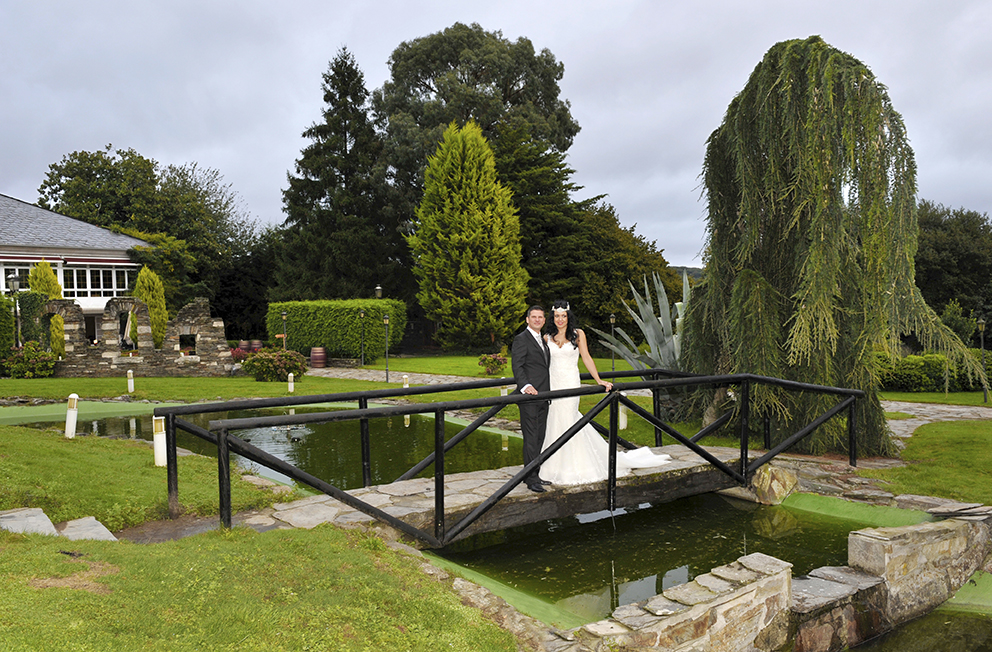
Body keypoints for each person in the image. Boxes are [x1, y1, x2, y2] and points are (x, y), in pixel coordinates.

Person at [540, 300, 671, 485]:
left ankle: (576, 466)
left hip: (570, 382)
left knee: (569, 419)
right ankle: (552, 466)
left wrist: (598, 380)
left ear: (568, 317)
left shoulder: (578, 334)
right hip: (554, 384)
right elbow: (542, 364)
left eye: (563, 316)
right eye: (556, 316)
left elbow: (586, 357)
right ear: (552, 318)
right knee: (554, 419)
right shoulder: (546, 337)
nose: (560, 320)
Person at [511, 305, 552, 493]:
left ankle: (535, 472)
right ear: (527, 319)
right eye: (533, 317)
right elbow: (518, 366)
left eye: (540, 317)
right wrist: (525, 386)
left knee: (540, 436)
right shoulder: (521, 339)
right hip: (529, 397)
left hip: (544, 395)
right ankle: (530, 478)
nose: (537, 320)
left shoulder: (542, 340)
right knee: (531, 437)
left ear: (544, 320)